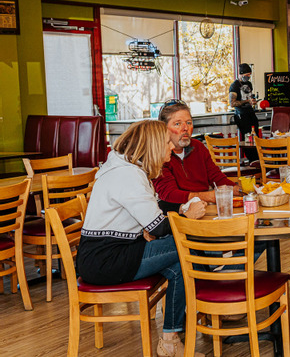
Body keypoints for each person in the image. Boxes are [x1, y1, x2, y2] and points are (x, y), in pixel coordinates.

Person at [76, 120, 206, 357]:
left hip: (105, 255)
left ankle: (170, 340)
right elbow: (157, 227)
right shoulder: (128, 175)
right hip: (107, 261)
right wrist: (188, 215)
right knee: (188, 248)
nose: (172, 146)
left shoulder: (126, 168)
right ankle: (215, 299)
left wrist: (182, 208)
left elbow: (155, 206)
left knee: (179, 265)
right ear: (154, 145)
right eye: (167, 141)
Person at [153, 100, 239, 213]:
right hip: (179, 215)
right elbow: (169, 195)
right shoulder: (159, 155)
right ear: (163, 128)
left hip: (206, 210)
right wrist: (209, 196)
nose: (185, 128)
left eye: (188, 123)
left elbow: (217, 178)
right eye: (177, 124)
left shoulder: (198, 147)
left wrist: (243, 190)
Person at [229, 63, 259, 140]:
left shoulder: (249, 84)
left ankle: (257, 151)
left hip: (250, 112)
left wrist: (252, 101)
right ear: (241, 74)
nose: (248, 77)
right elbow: (232, 103)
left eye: (250, 75)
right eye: (247, 75)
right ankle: (249, 152)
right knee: (247, 137)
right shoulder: (234, 86)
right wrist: (246, 101)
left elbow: (250, 96)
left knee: (256, 135)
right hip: (241, 114)